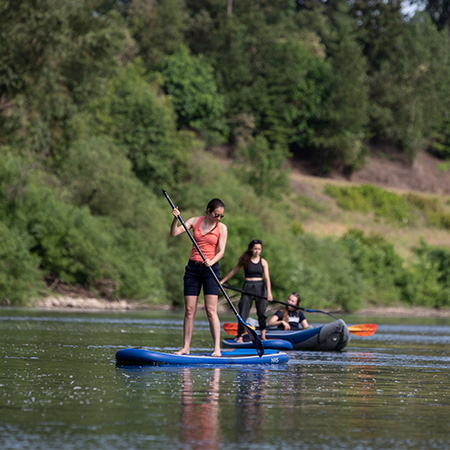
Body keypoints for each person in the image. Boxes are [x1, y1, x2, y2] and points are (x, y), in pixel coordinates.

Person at [170, 198, 228, 357]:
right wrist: (175, 218)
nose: (219, 218)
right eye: (216, 215)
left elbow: (221, 251)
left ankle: (217, 349)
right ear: (208, 211)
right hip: (193, 269)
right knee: (189, 310)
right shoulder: (194, 221)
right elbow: (173, 233)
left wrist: (212, 261)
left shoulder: (222, 228)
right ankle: (185, 347)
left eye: (221, 216)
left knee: (211, 310)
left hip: (211, 270)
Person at [220, 239, 272, 342]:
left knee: (261, 312)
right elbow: (234, 271)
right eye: (255, 249)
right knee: (243, 312)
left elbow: (267, 278)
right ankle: (240, 336)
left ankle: (263, 336)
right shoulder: (245, 260)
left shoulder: (263, 262)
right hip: (247, 287)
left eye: (259, 249)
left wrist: (269, 293)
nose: (257, 251)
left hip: (260, 287)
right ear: (251, 249)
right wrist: (222, 282)